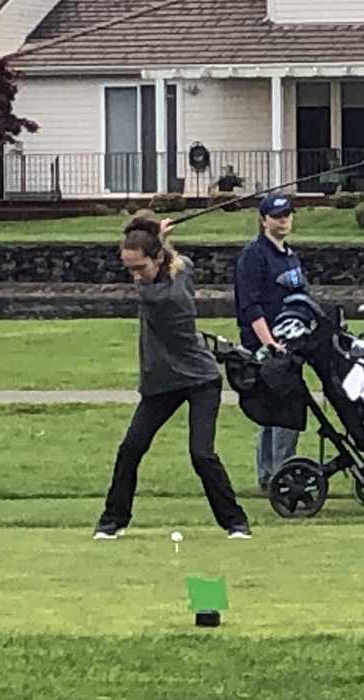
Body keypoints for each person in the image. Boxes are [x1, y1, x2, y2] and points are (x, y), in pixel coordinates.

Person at [93, 211, 251, 541]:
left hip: (200, 379)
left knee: (201, 454)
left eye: (140, 268)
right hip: (161, 384)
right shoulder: (182, 270)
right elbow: (181, 261)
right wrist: (156, 236)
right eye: (129, 269)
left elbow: (165, 283)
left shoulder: (163, 297)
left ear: (158, 258)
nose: (135, 277)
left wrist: (159, 237)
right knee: (130, 449)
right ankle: (112, 521)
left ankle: (236, 523)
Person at [234, 194, 308, 495]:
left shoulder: (288, 255)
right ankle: (280, 474)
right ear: (264, 220)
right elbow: (250, 306)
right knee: (283, 411)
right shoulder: (255, 255)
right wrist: (270, 344)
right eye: (277, 216)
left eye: (287, 214)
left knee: (273, 413)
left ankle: (270, 477)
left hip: (293, 342)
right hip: (268, 347)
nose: (283, 220)